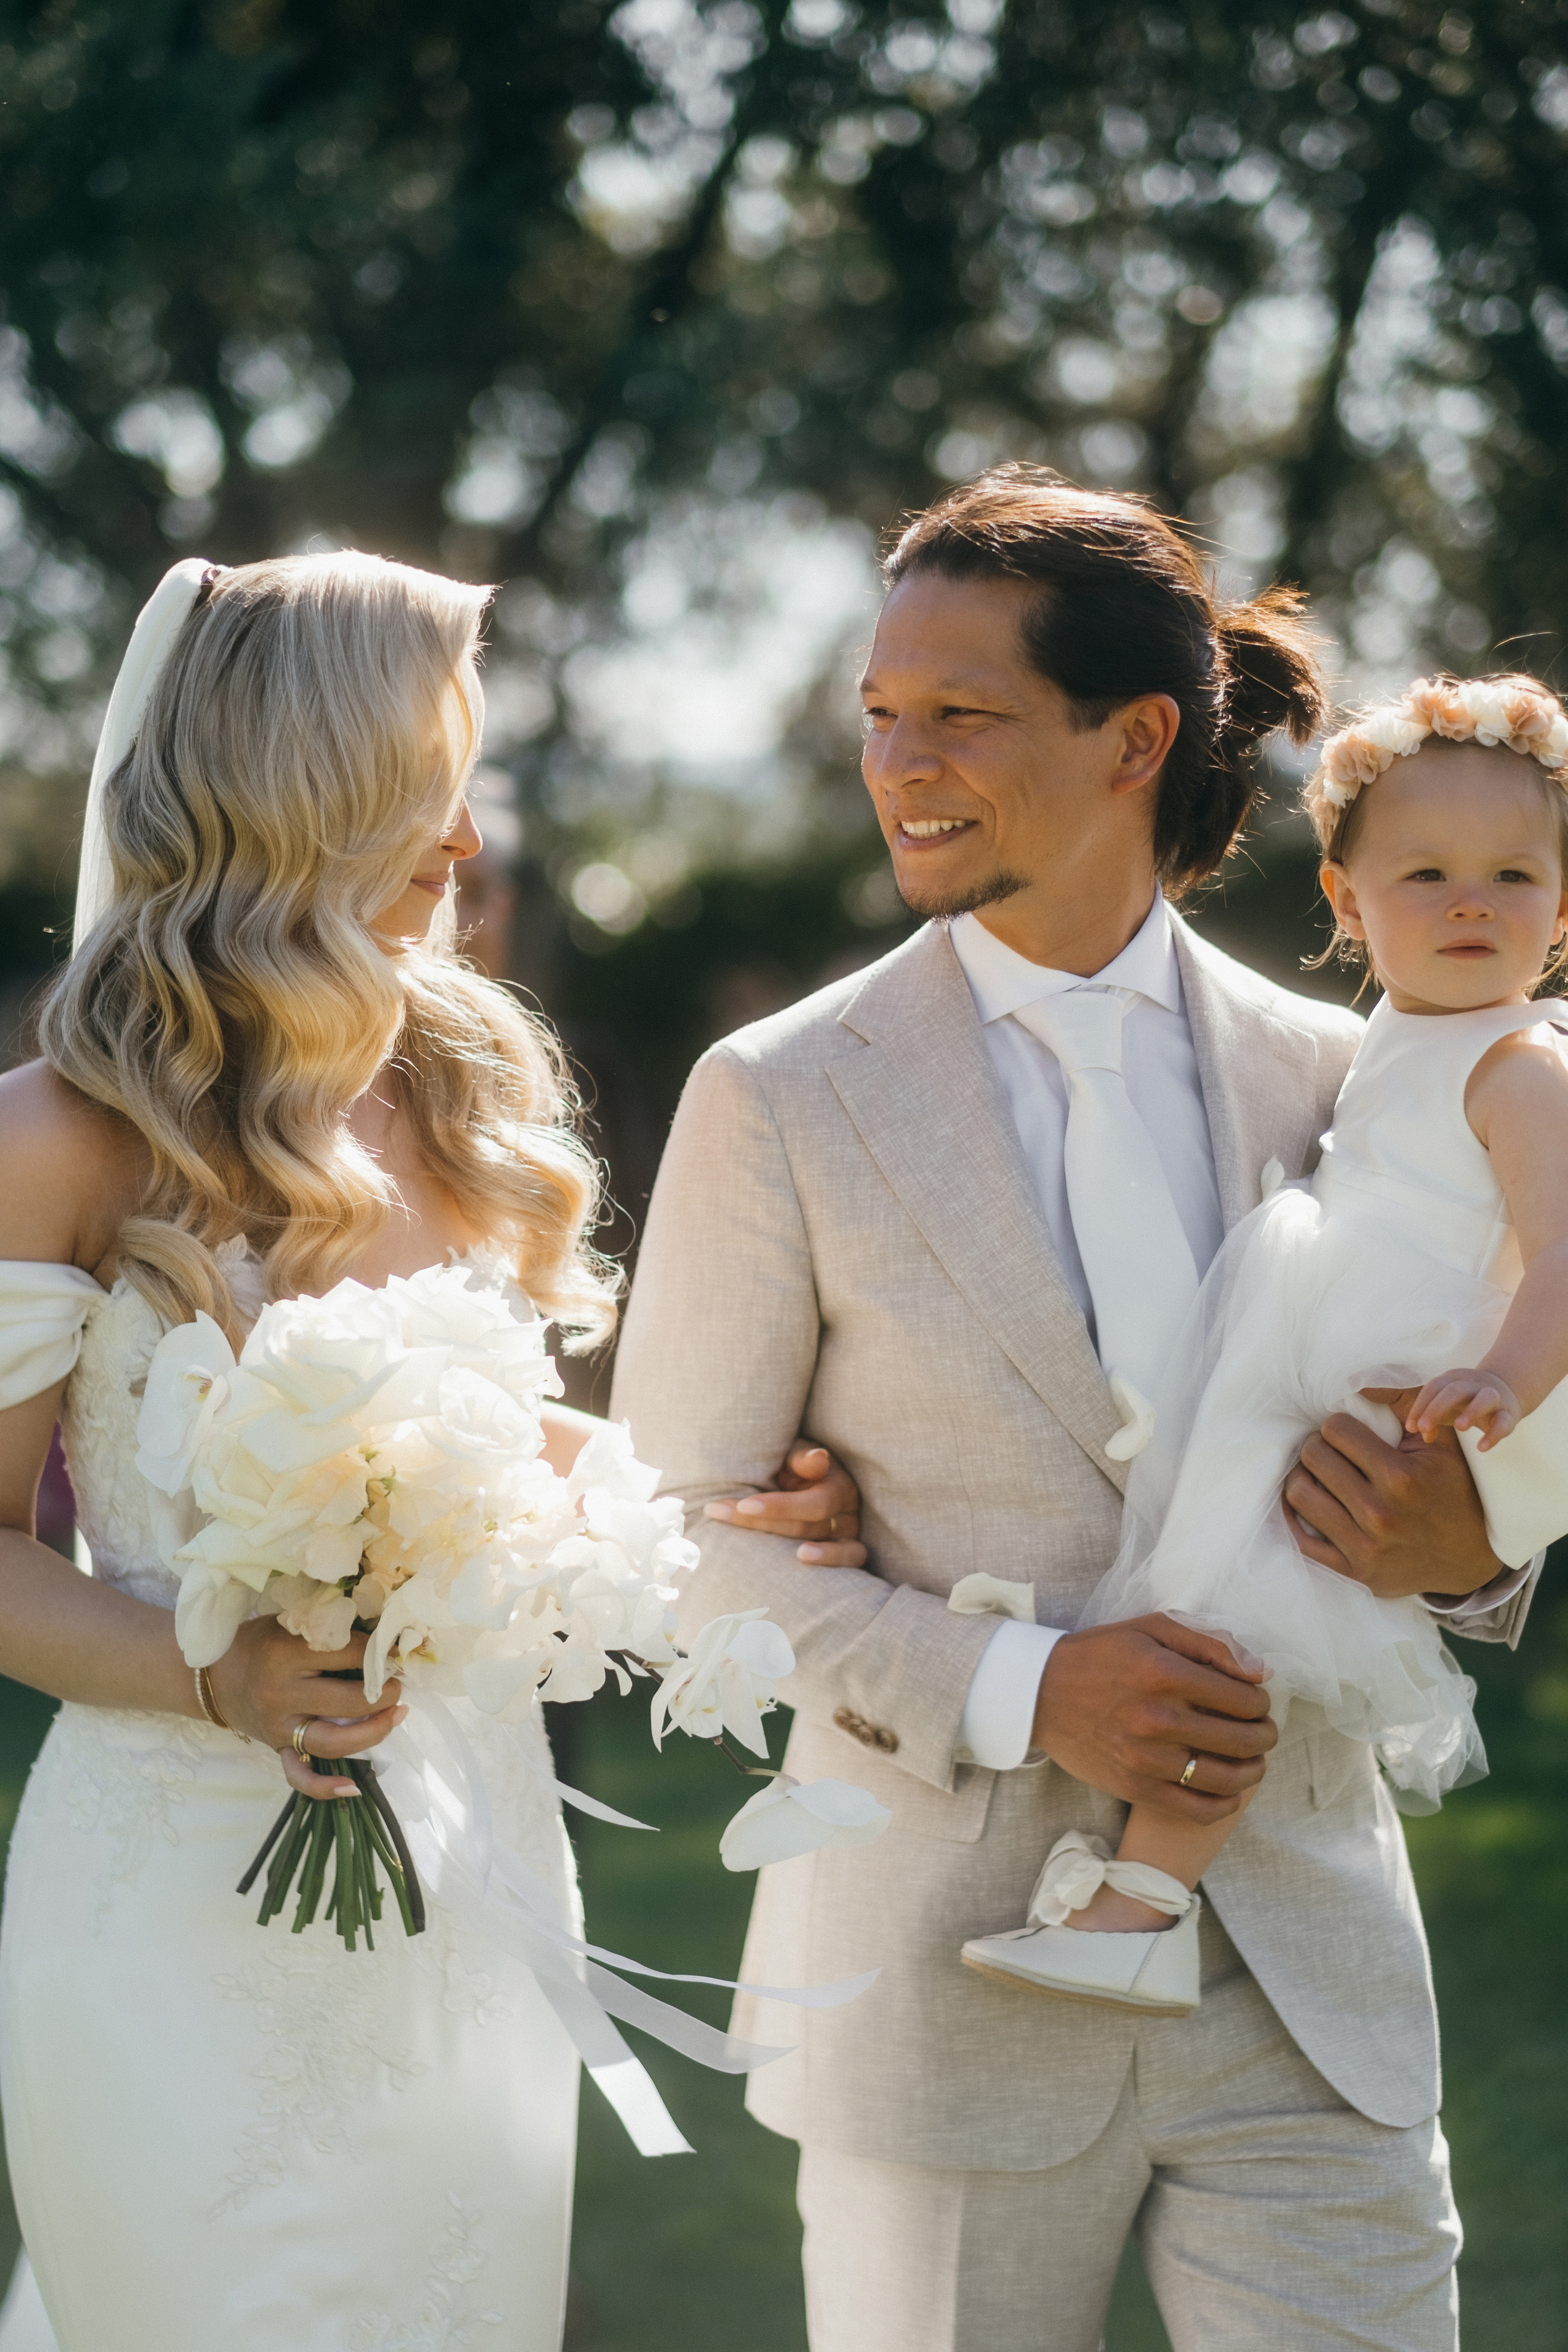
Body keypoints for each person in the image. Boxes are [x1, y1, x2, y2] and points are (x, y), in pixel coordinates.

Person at [611, 469, 1540, 2352]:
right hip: (936, 1986)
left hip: (1309, 1981)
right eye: (882, 713)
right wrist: (1030, 1688)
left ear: (1134, 741)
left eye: (962, 713)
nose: (903, 764)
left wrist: (1473, 1547)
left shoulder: (1353, 1071)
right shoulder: (780, 1094)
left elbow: (1493, 1391)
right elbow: (669, 1536)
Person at [0, 551, 859, 2352]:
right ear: (296, 798)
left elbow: (492, 1434)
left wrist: (721, 1500)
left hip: (468, 1867)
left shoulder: (464, 1096)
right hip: (163, 1898)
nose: (466, 842)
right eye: (424, 789)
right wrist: (219, 1673)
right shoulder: (60, 1139)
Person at [962, 672, 1568, 2014]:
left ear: (1564, 908)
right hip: (1303, 1344)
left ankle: (1140, 1906)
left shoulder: (1523, 1067)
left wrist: (1502, 1381)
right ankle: (1139, 1903)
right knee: (1209, 1598)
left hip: (1387, 1372)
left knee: (1232, 1616)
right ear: (1347, 903)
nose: (1470, 903)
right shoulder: (1389, 1038)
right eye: (1426, 874)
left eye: (1514, 877)